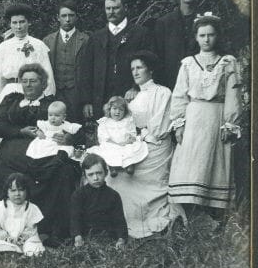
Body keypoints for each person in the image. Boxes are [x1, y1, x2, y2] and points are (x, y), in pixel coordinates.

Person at [0, 63, 81, 246]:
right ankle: (1, 227)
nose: (28, 85)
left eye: (33, 81)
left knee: (63, 171)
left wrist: (67, 137)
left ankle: (50, 230)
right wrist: (21, 131)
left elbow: (73, 126)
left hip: (43, 150)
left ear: (43, 84)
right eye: (25, 81)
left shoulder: (53, 103)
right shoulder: (11, 100)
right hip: (12, 147)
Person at [167, 14, 241, 228]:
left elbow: (233, 96)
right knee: (190, 163)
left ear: (217, 36)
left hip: (216, 118)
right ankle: (189, 216)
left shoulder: (228, 62)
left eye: (210, 35)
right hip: (193, 117)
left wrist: (229, 123)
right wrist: (179, 123)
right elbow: (179, 94)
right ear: (196, 38)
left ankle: (214, 217)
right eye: (202, 35)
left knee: (213, 164)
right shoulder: (189, 64)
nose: (207, 39)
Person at [107, 50, 186, 238]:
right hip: (136, 143)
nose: (135, 72)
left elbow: (159, 127)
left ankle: (150, 221)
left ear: (150, 69)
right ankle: (120, 222)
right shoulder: (133, 95)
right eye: (132, 68)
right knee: (113, 174)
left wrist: (140, 138)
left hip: (156, 144)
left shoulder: (162, 92)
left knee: (133, 173)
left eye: (139, 67)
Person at [78, 0, 152, 120]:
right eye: (108, 8)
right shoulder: (96, 38)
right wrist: (87, 101)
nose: (111, 11)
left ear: (125, 8)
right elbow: (86, 70)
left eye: (116, 8)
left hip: (131, 97)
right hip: (101, 100)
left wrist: (136, 87)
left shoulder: (140, 34)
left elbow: (149, 65)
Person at [0, 3, 56, 105]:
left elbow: (48, 74)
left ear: (29, 22)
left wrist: (47, 99)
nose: (18, 26)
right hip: (9, 92)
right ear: (10, 24)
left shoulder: (38, 45)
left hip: (33, 92)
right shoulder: (3, 47)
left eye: (22, 22)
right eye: (15, 23)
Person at [154, 0, 203, 90]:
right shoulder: (164, 23)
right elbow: (157, 59)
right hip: (171, 86)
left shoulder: (206, 21)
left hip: (199, 87)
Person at [42, 0, 89, 121]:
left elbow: (90, 72)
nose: (67, 19)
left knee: (76, 129)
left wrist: (87, 101)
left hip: (76, 94)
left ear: (76, 17)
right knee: (54, 128)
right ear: (58, 17)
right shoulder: (47, 41)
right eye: (64, 16)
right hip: (55, 92)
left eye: (71, 15)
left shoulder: (86, 40)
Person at [70, 154, 127, 249]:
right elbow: (75, 220)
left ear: (106, 173)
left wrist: (121, 239)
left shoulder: (113, 195)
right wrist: (78, 237)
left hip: (109, 238)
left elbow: (119, 221)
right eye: (90, 174)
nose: (95, 178)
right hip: (86, 238)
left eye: (99, 173)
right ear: (84, 176)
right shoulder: (78, 195)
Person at [0, 172, 45, 257]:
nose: (17, 194)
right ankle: (9, 251)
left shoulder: (31, 207)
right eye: (13, 190)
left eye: (21, 190)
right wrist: (6, 237)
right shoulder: (1, 206)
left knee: (33, 245)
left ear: (27, 191)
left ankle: (25, 253)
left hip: (24, 240)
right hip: (5, 239)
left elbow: (31, 229)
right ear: (7, 192)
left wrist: (22, 238)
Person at [86, 96, 148, 176]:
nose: (117, 112)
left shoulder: (128, 121)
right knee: (108, 149)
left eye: (121, 110)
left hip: (125, 143)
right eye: (114, 109)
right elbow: (104, 138)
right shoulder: (105, 122)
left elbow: (132, 133)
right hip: (111, 143)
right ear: (109, 109)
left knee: (132, 147)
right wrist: (117, 144)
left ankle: (129, 164)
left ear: (125, 111)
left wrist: (129, 140)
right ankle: (112, 167)